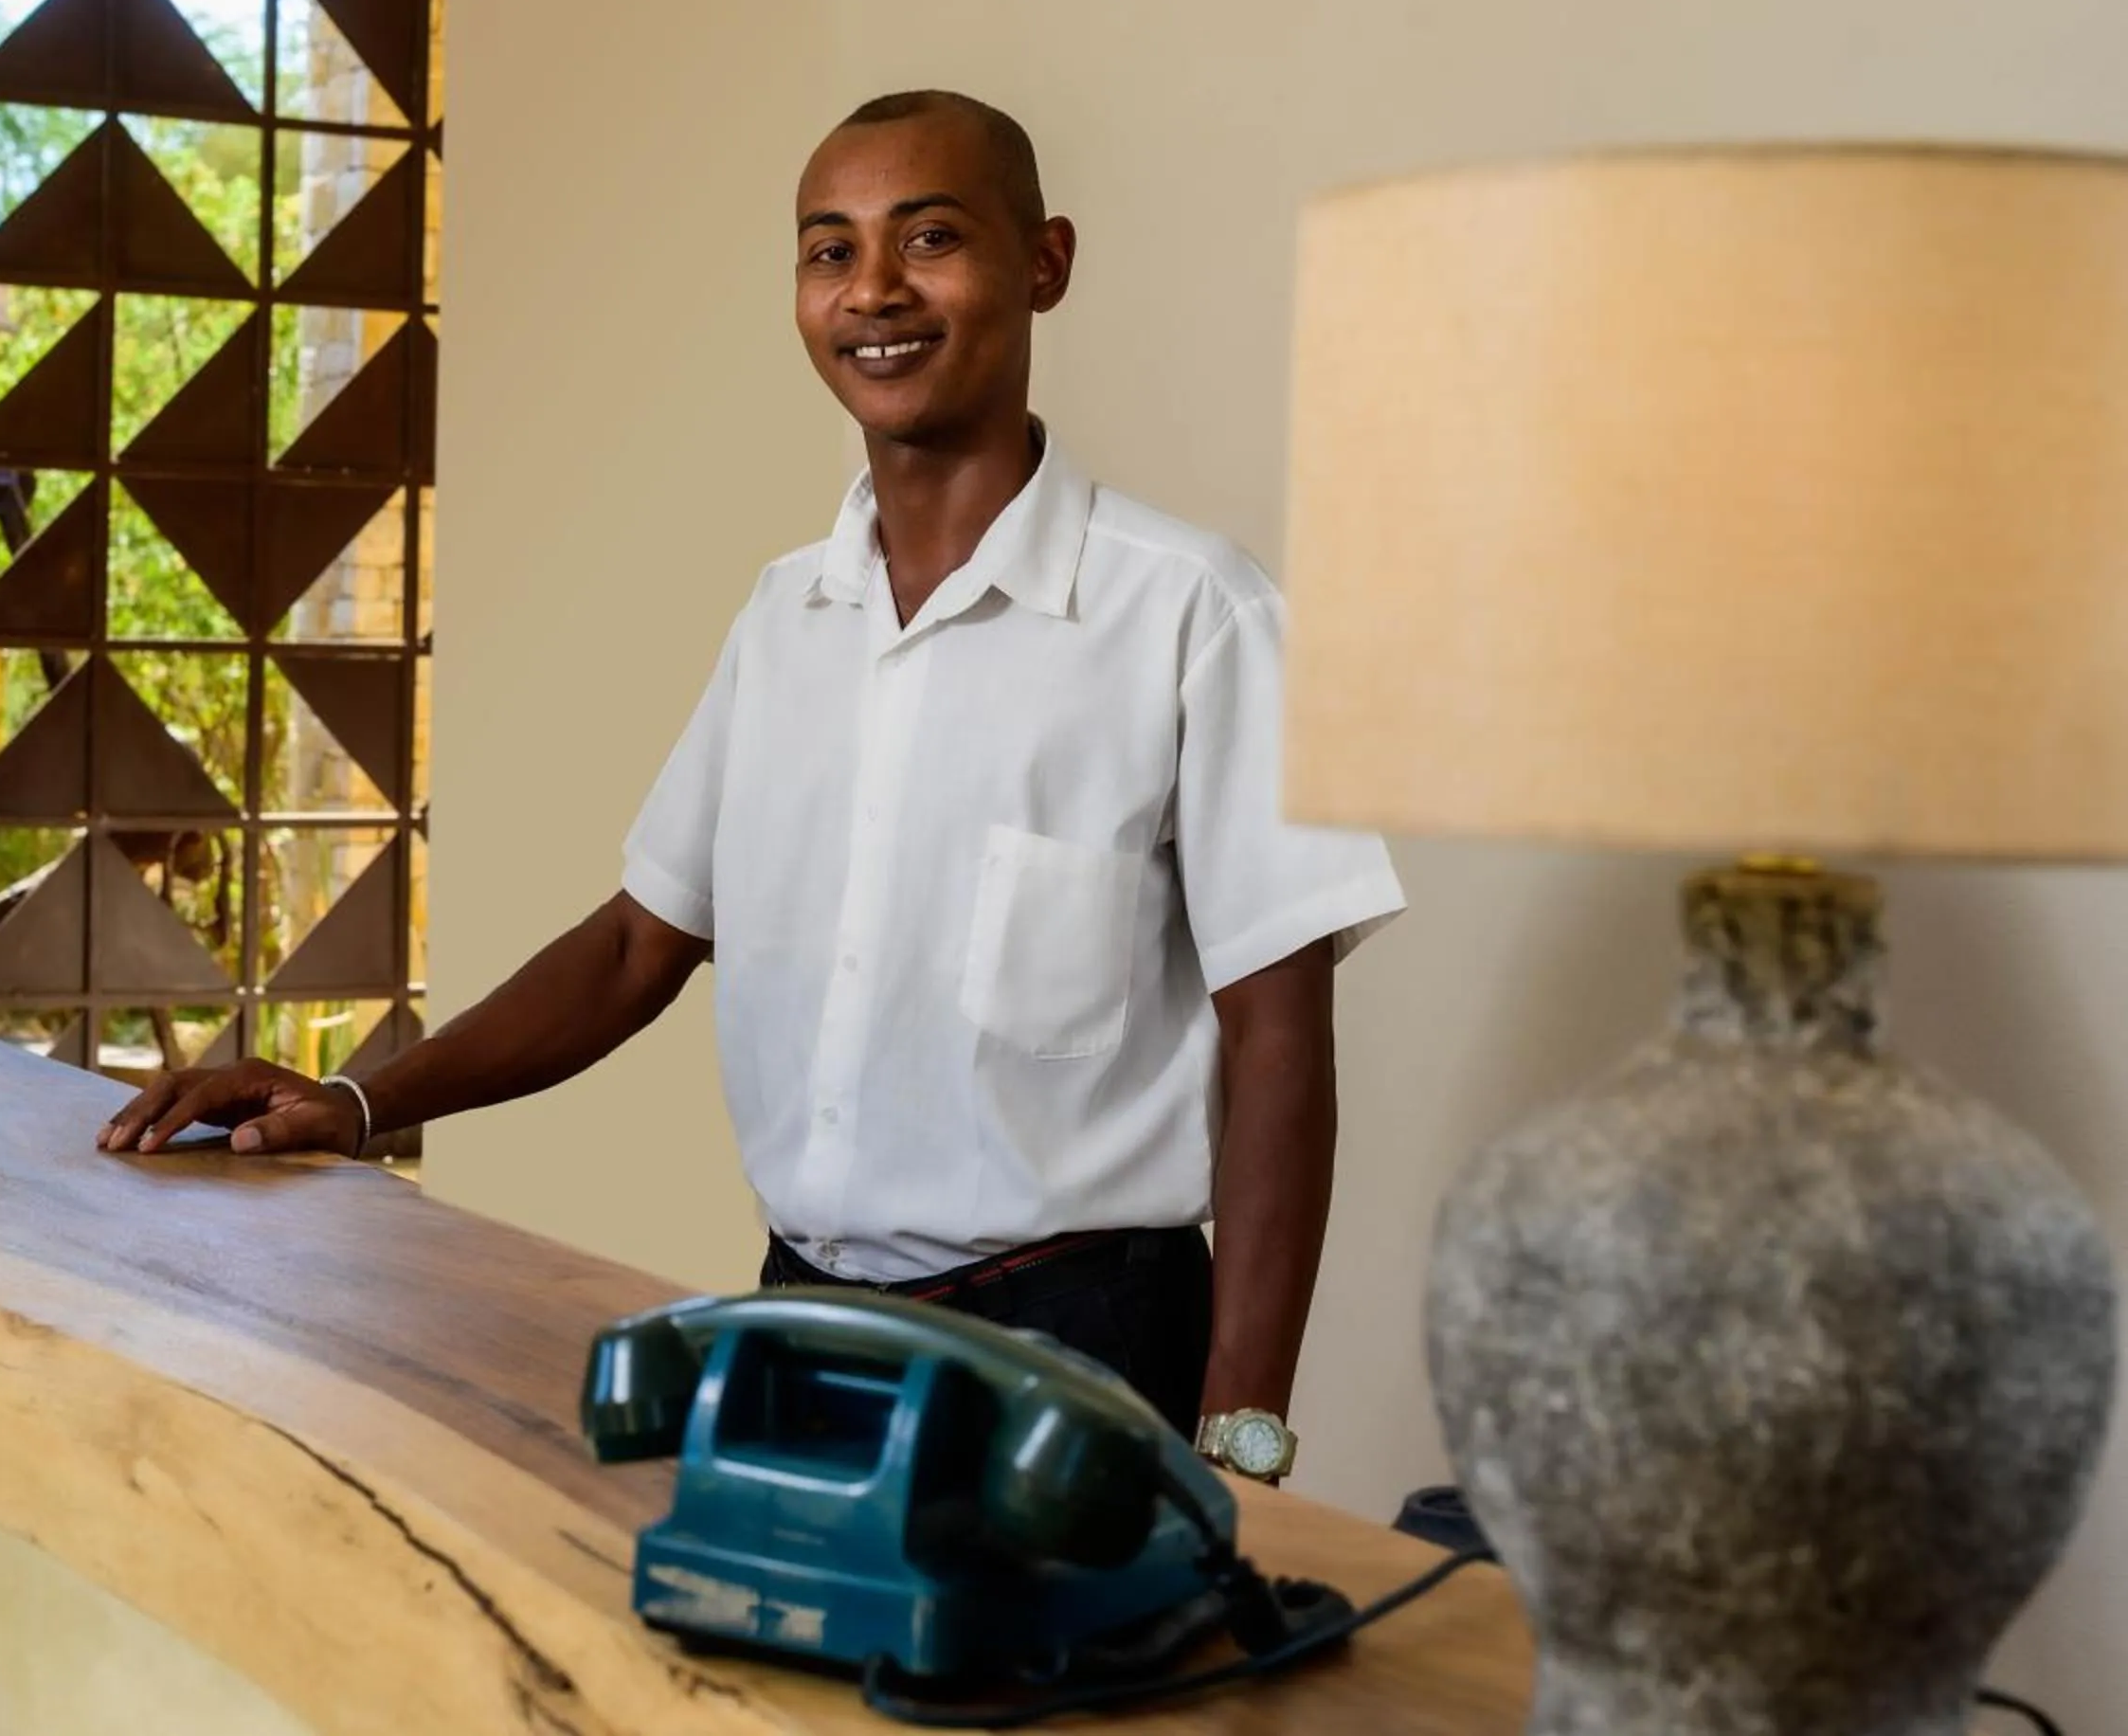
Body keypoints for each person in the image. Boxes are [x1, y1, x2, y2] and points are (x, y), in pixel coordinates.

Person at [97, 91, 1402, 1475]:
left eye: (932, 236)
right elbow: (630, 946)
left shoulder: (1198, 616)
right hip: (794, 1324)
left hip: (1077, 1348)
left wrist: (1242, 1437)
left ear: (1046, 264)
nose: (875, 290)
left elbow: (1279, 1047)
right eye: (828, 251)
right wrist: (361, 1106)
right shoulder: (787, 620)